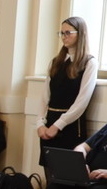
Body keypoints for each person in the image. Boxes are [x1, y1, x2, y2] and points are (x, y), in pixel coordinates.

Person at [38, 16, 95, 149]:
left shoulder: (89, 63)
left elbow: (82, 101)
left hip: (71, 124)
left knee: (67, 160)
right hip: (49, 123)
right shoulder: (56, 62)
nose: (64, 37)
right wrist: (40, 123)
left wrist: (58, 125)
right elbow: (45, 96)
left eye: (68, 33)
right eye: (62, 33)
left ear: (80, 34)